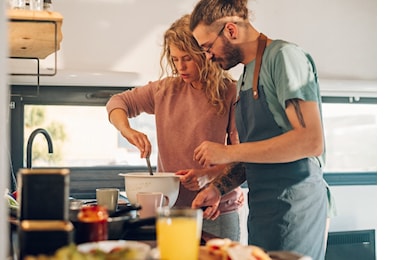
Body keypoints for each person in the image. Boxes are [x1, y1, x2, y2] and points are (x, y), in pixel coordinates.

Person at [188, 1, 336, 259]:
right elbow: (257, 152)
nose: (208, 56)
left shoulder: (284, 57)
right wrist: (217, 189)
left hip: (295, 208)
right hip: (263, 212)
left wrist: (226, 152)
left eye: (208, 47)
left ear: (231, 30)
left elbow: (310, 141)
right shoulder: (245, 75)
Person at [105, 14, 245, 241]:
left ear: (204, 52)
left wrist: (206, 177)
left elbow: (242, 158)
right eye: (175, 59)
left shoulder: (230, 93)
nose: (180, 66)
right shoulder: (164, 90)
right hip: (171, 210)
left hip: (217, 210)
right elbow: (117, 103)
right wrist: (127, 130)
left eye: (187, 58)